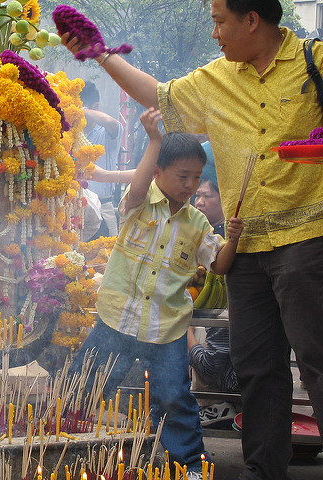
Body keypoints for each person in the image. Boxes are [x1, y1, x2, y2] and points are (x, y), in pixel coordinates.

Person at [62, 1, 323, 479]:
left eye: (221, 21)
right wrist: (100, 53)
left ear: (252, 19)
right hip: (246, 252)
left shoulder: (314, 60)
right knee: (258, 369)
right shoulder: (216, 79)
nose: (216, 32)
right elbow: (156, 94)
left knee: (317, 359)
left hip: (307, 240)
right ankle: (264, 470)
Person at [70, 107, 244, 478]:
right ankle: (65, 444)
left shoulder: (198, 224)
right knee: (85, 385)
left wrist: (234, 238)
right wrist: (154, 140)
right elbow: (137, 183)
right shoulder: (137, 205)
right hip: (116, 321)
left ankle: (190, 466)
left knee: (175, 399)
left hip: (166, 331)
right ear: (157, 173)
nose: (190, 185)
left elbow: (221, 266)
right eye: (182, 176)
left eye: (196, 178)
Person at [188, 142, 239, 428]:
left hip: (217, 328)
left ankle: (216, 404)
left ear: (223, 199)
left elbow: (219, 267)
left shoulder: (221, 237)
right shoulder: (199, 228)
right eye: (197, 197)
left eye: (206, 196)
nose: (199, 202)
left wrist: (188, 333)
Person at [80, 81, 125, 237]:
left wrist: (81, 110)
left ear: (96, 107)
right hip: (77, 210)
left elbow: (109, 122)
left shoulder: (106, 133)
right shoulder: (71, 134)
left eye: (85, 110)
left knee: (104, 258)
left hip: (103, 209)